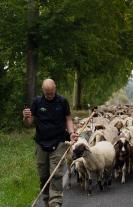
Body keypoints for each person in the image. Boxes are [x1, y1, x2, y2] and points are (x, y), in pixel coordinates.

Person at [23, 79, 78, 207]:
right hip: (41, 143)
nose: (50, 95)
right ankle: (47, 200)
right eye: (47, 93)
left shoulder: (62, 101)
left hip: (58, 142)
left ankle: (56, 202)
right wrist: (26, 117)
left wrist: (71, 133)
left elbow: (68, 119)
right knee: (44, 176)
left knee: (56, 174)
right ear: (43, 90)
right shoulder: (37, 102)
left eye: (52, 93)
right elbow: (28, 123)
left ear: (55, 88)